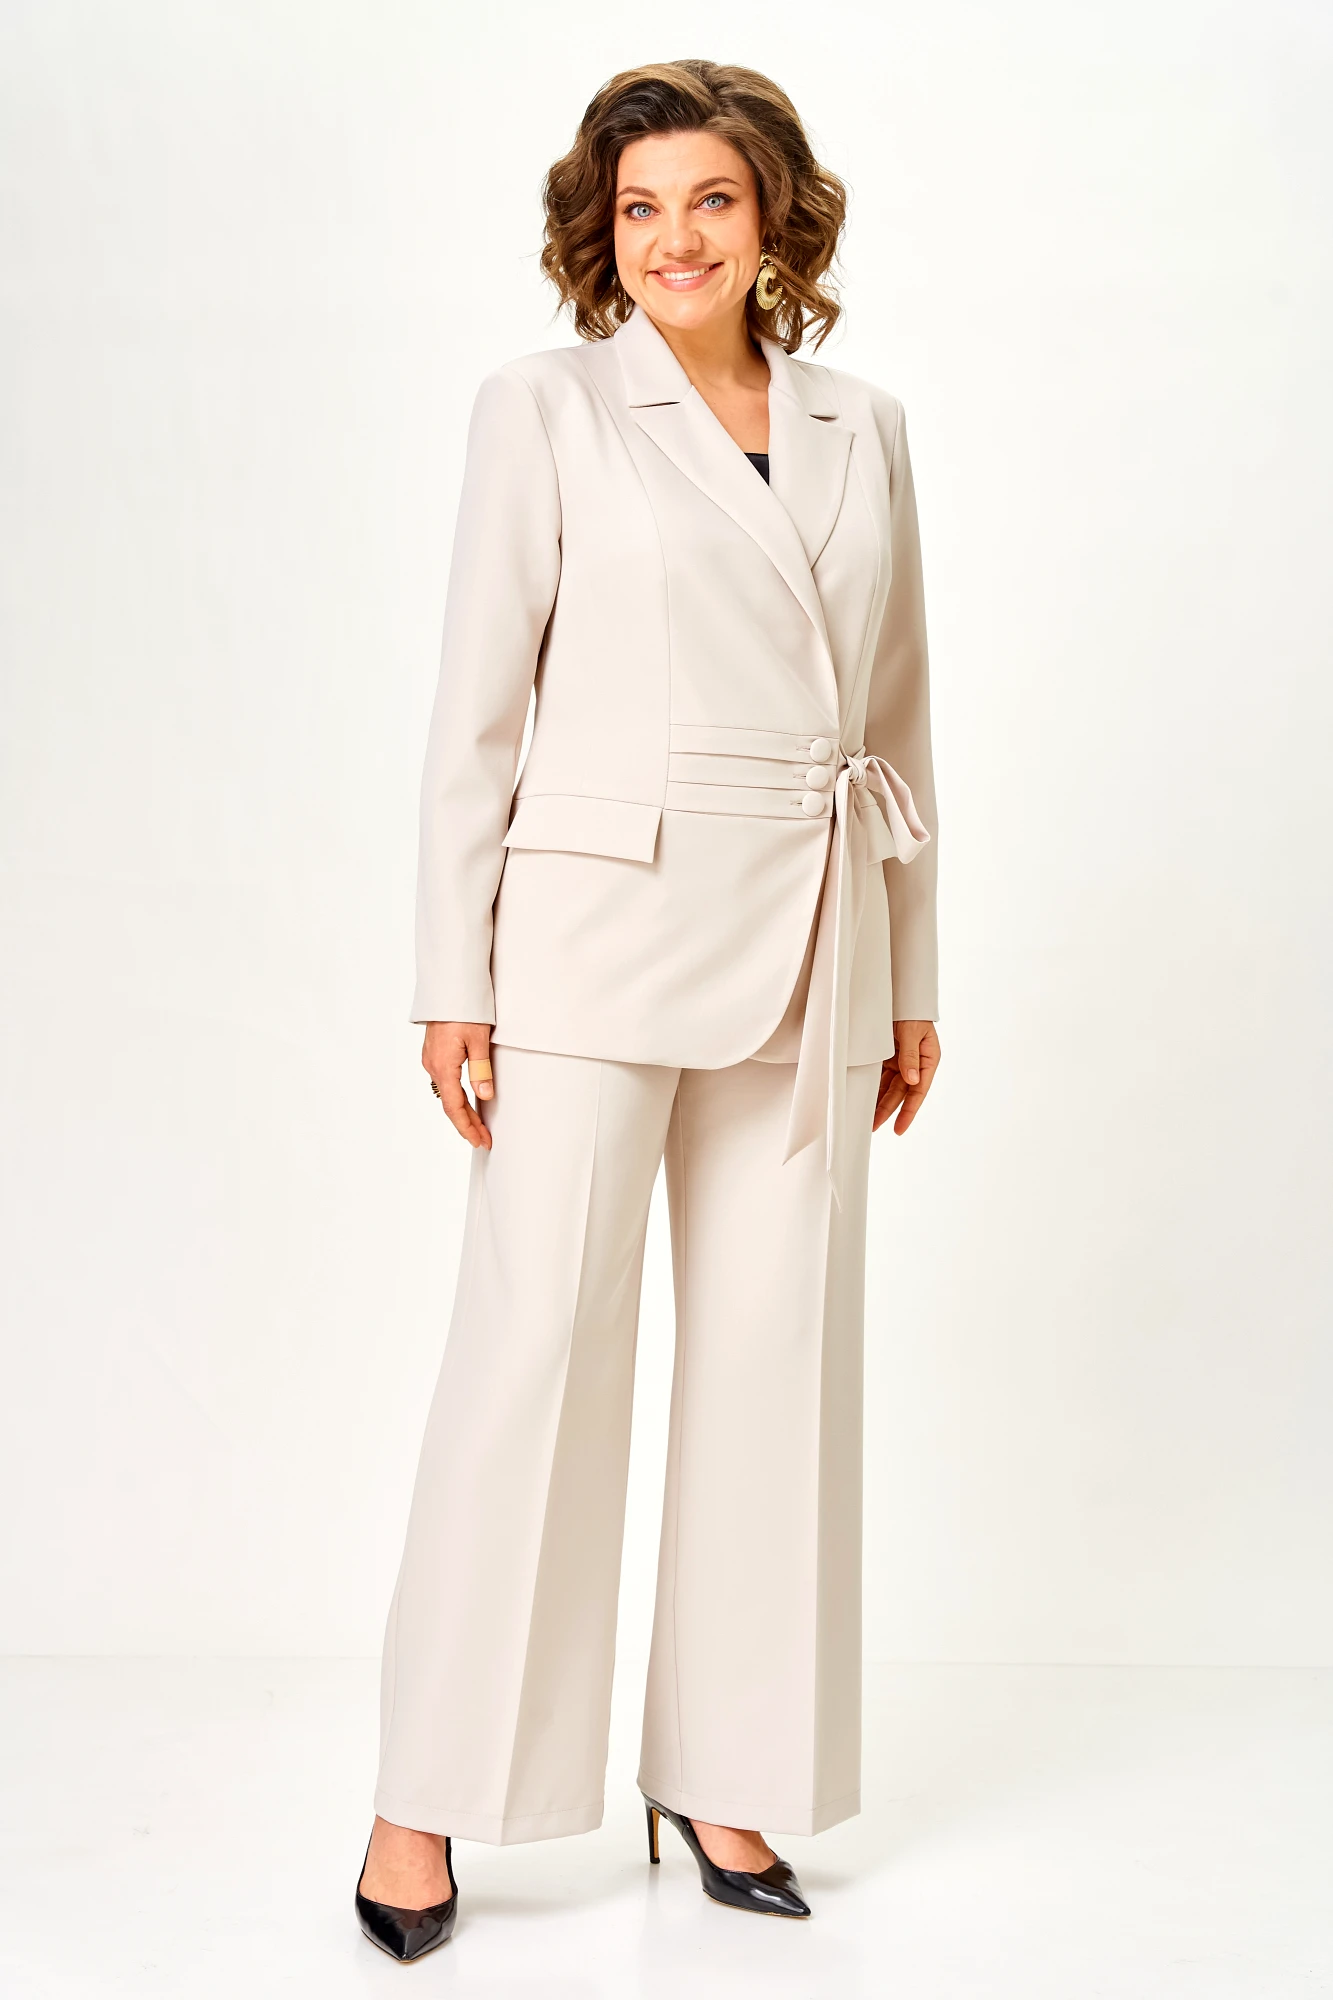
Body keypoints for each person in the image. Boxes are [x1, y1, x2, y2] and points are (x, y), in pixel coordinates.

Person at [354, 57, 941, 1961]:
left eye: (710, 200)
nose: (673, 238)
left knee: (775, 1367)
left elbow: (899, 715)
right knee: (536, 1353)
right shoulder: (541, 409)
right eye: (637, 208)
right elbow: (476, 711)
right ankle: (427, 1796)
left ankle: (724, 1769)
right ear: (598, 233)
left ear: (774, 220)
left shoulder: (864, 425)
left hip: (814, 943)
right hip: (589, 943)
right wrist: (453, 976)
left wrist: (910, 975)